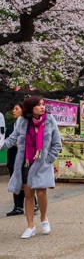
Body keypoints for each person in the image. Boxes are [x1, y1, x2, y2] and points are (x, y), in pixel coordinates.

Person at [1, 96, 62, 239]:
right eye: (39, 105)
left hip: (42, 162)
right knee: (28, 195)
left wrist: (48, 159)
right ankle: (30, 226)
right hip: (26, 161)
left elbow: (57, 143)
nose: (42, 107)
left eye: (43, 104)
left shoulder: (49, 120)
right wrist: (1, 144)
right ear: (30, 107)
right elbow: (12, 139)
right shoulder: (22, 121)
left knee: (41, 193)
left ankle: (43, 218)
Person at [4, 103, 38, 216]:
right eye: (13, 108)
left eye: (16, 109)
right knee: (15, 181)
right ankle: (18, 206)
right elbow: (8, 139)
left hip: (25, 158)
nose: (14, 111)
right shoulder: (10, 126)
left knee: (26, 183)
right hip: (13, 158)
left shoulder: (29, 123)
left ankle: (34, 203)